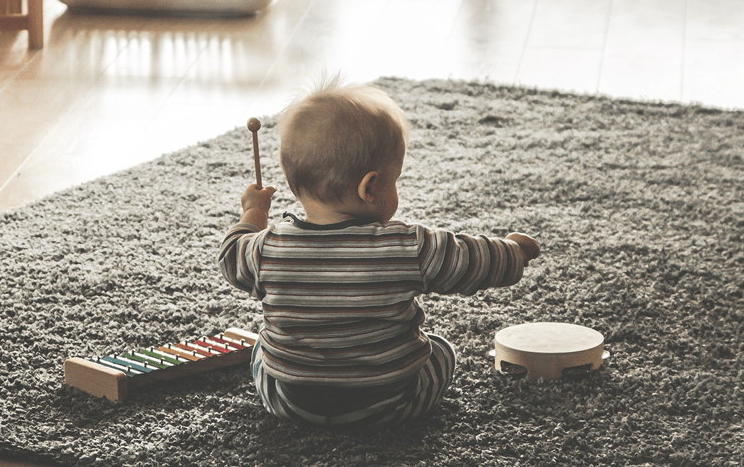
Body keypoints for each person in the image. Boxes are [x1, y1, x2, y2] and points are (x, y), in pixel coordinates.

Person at [218, 81, 540, 429]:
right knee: (442, 350)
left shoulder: (265, 249)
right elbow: (471, 259)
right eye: (395, 179)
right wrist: (514, 251)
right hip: (391, 404)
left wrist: (253, 212)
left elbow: (231, 255)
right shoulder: (407, 246)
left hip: (293, 404)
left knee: (260, 352)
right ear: (370, 187)